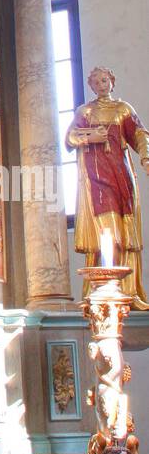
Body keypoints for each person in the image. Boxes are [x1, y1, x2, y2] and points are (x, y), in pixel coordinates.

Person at [66, 66, 149, 309]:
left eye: (105, 80)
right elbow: (70, 138)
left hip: (120, 177)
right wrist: (90, 137)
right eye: (96, 82)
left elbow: (140, 136)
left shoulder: (123, 109)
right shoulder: (86, 111)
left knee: (125, 233)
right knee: (107, 231)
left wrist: (146, 157)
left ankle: (129, 291)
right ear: (91, 86)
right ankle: (103, 290)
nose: (101, 85)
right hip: (96, 179)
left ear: (112, 82)